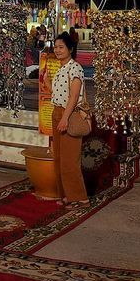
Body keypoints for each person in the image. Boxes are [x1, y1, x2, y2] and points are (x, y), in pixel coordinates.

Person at [49, 30, 88, 205]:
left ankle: (80, 198)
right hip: (57, 112)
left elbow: (73, 97)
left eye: (61, 47)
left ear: (70, 49)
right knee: (58, 158)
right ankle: (66, 195)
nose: (57, 50)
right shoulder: (60, 69)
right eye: (55, 47)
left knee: (70, 160)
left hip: (69, 115)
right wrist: (47, 83)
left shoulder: (75, 68)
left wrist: (64, 118)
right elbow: (59, 94)